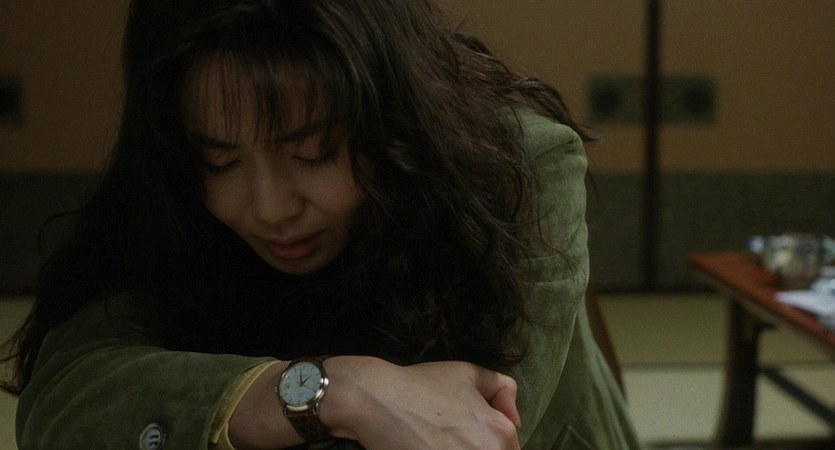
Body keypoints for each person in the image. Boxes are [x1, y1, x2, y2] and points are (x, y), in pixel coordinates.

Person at [2, 0, 642, 448]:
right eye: (220, 160)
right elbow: (64, 399)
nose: (269, 207)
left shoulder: (514, 163)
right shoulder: (174, 195)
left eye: (313, 153)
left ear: (394, 123)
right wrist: (333, 391)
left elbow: (473, 431)